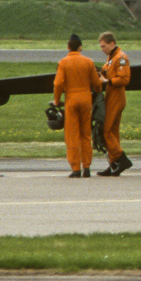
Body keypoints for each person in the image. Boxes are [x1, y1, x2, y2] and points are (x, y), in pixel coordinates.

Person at [52, 34, 101, 177]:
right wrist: (97, 91)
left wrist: (56, 100)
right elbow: (96, 83)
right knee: (85, 134)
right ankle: (87, 167)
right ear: (80, 47)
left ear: (68, 47)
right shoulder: (88, 62)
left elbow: (58, 83)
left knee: (72, 134)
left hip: (71, 99)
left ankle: (76, 168)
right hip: (86, 99)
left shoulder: (63, 62)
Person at [95, 32, 132, 176]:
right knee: (113, 131)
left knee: (106, 130)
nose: (102, 49)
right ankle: (113, 164)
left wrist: (108, 81)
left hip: (117, 96)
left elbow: (124, 79)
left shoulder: (121, 58)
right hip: (110, 96)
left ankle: (121, 159)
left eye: (104, 46)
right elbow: (105, 71)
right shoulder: (110, 58)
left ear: (112, 44)